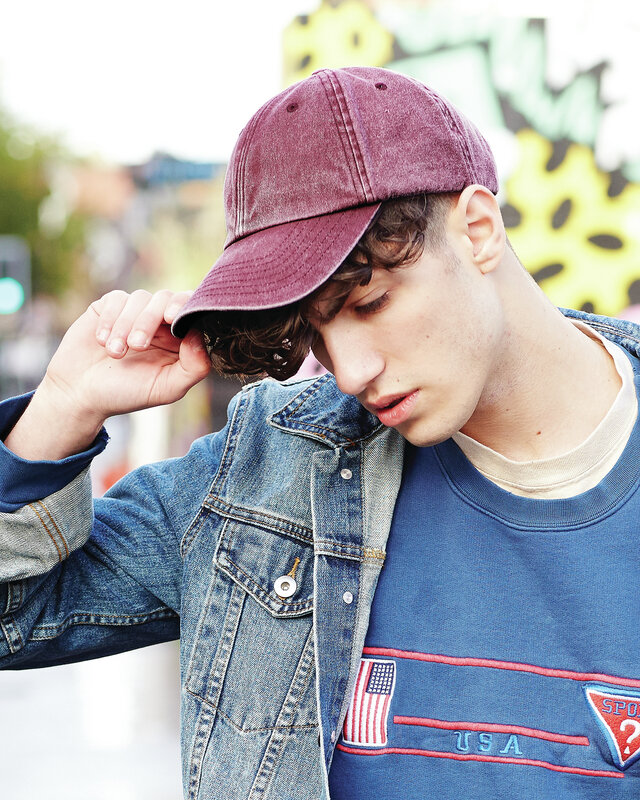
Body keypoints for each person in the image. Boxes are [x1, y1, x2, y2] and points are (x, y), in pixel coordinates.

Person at [1, 66, 639, 799]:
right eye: (316, 333)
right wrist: (65, 406)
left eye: (369, 302)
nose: (351, 371)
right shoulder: (266, 470)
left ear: (477, 229)